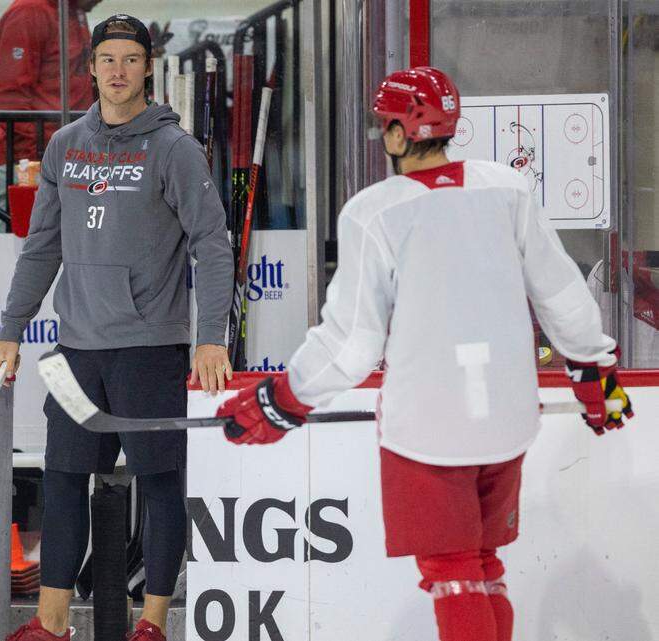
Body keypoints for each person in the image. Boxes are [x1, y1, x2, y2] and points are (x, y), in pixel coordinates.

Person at [216, 67, 633, 641]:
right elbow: (562, 293)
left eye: (382, 124)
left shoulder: (376, 212)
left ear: (396, 133)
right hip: (508, 420)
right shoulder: (507, 190)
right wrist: (597, 379)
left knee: (452, 574)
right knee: (483, 566)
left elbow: (352, 343)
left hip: (428, 429)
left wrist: (278, 401)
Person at [0, 15, 234, 641]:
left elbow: (211, 241)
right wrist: (13, 326)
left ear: (147, 67)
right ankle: (51, 623)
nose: (119, 71)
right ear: (92, 66)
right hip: (77, 350)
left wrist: (211, 336)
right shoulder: (65, 146)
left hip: (149, 347)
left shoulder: (174, 149)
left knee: (159, 481)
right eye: (108, 60)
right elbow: (41, 246)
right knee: (65, 478)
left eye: (130, 59)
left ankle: (151, 623)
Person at [0, 0, 101, 218]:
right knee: (23, 248)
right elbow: (8, 97)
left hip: (62, 157)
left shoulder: (72, 11)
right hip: (27, 161)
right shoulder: (30, 11)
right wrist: (38, 158)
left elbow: (80, 81)